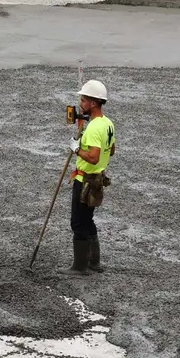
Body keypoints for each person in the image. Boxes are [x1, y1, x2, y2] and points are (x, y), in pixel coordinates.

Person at [59, 79, 116, 276]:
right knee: (88, 219)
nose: (80, 104)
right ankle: (94, 262)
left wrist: (76, 149)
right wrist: (82, 140)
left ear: (93, 103)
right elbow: (112, 150)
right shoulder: (107, 124)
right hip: (98, 180)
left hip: (85, 180)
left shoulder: (93, 128)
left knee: (78, 222)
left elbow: (93, 157)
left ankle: (80, 266)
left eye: (83, 100)